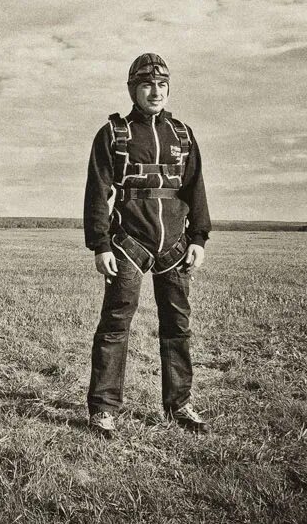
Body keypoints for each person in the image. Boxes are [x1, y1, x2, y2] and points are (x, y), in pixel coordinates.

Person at [83, 52, 212, 438]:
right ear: (132, 89)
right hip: (127, 244)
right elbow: (97, 192)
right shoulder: (114, 135)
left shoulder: (183, 136)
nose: (155, 91)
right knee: (115, 325)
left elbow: (196, 189)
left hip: (175, 246)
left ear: (168, 88)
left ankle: (179, 405)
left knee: (178, 326)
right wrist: (100, 244)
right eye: (146, 85)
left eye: (161, 85)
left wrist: (199, 238)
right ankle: (104, 409)